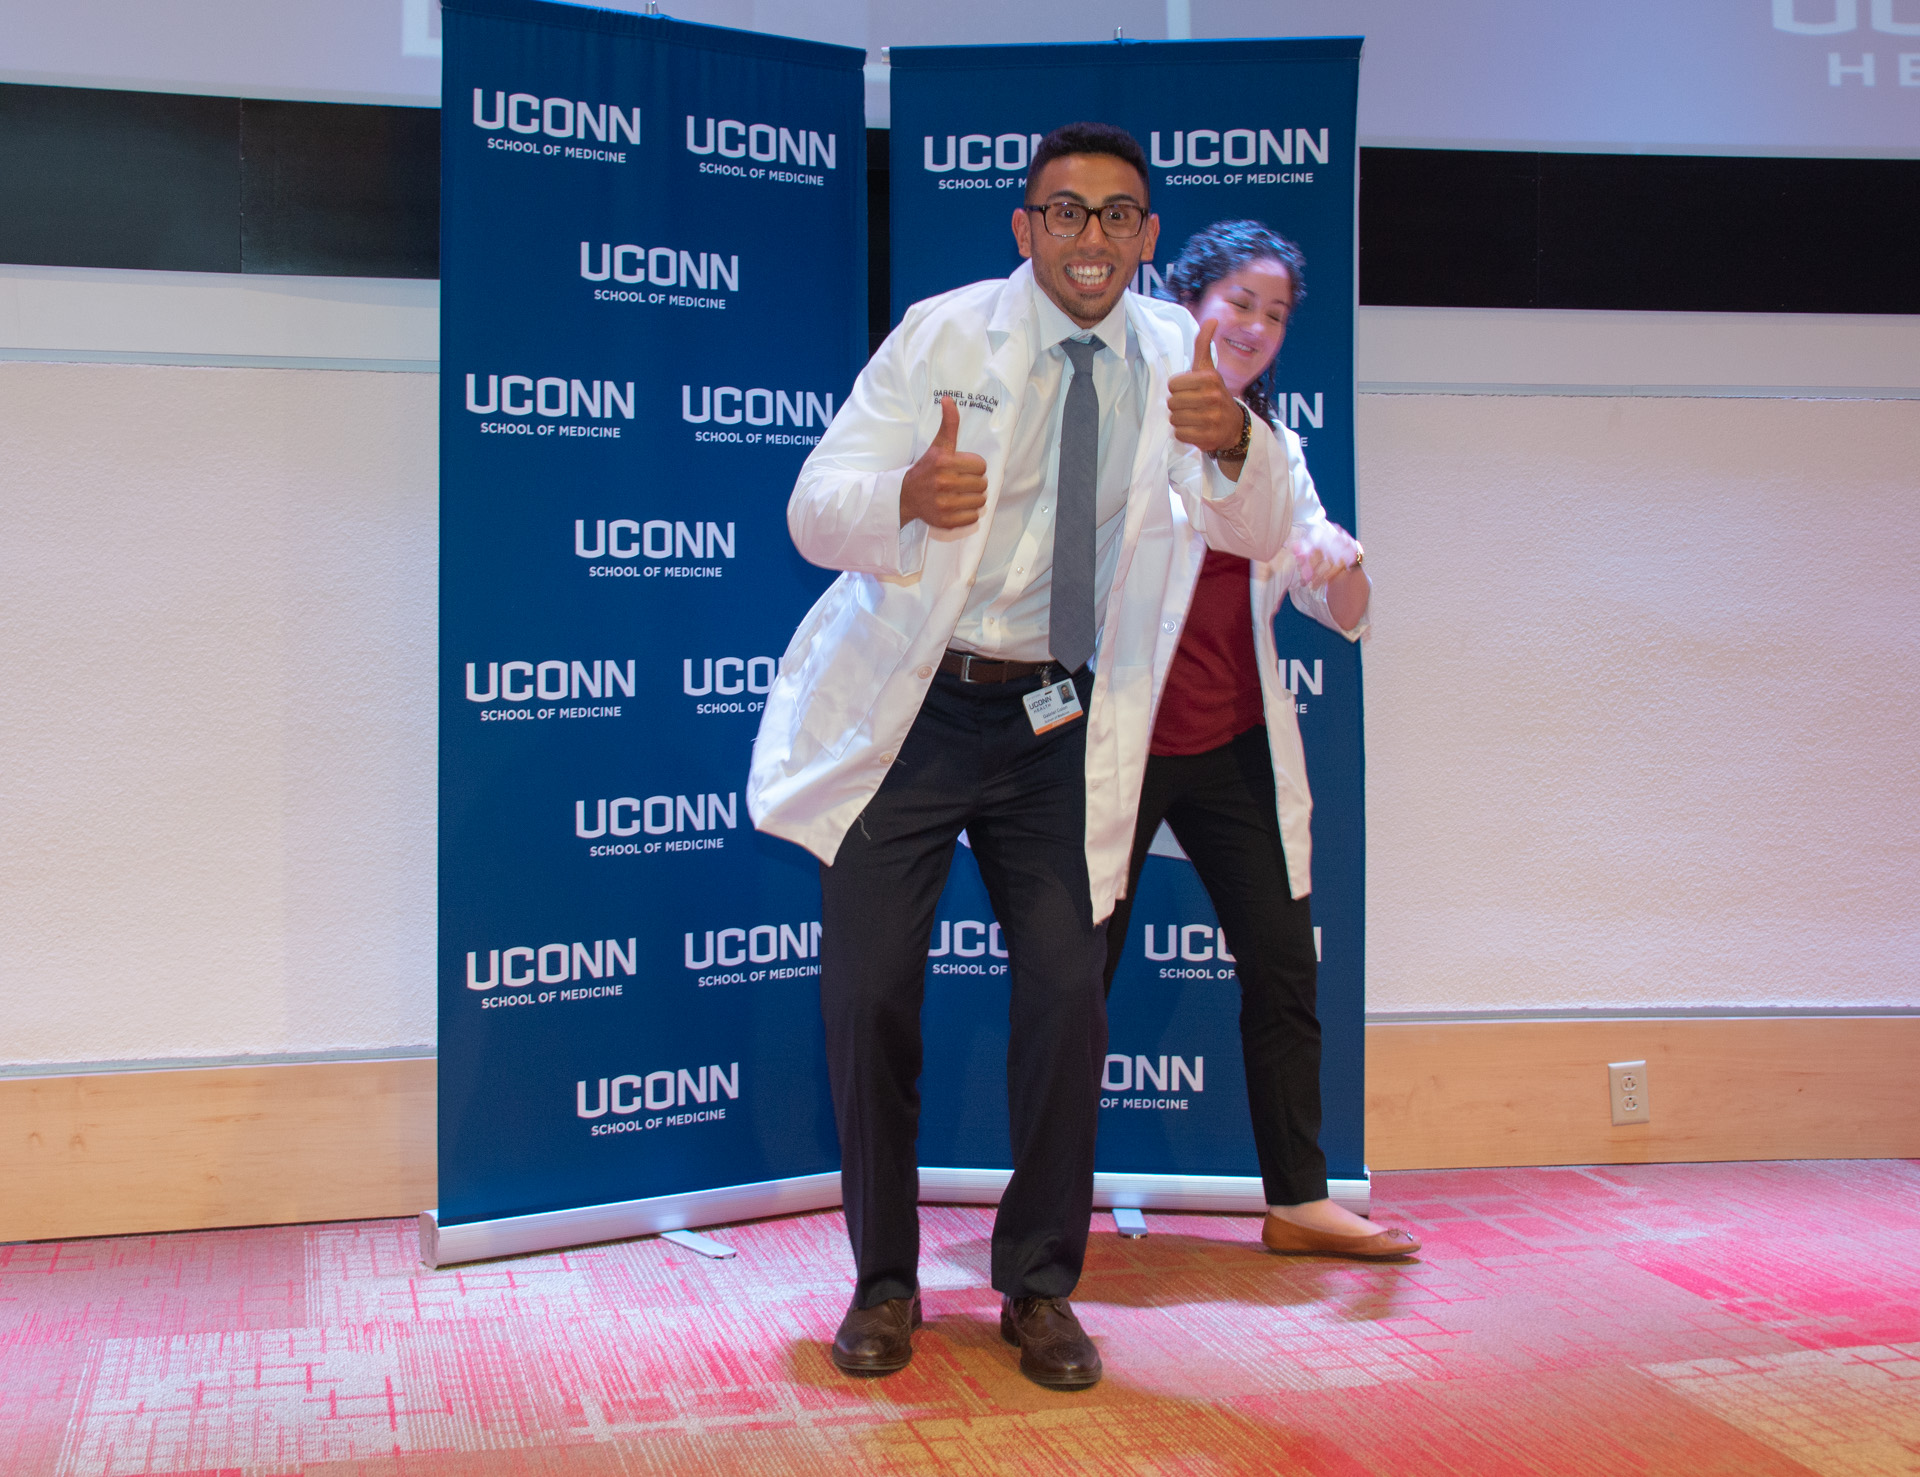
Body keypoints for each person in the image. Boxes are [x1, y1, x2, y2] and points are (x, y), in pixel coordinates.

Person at [748, 124, 1298, 1389]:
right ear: (1025, 228)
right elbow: (810, 503)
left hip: (1057, 723)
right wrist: (903, 498)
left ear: (1148, 239)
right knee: (872, 993)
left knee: (1067, 993)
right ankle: (885, 1283)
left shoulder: (1184, 356)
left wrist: (1233, 446)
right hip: (916, 715)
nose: (1090, 238)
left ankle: (1039, 1285)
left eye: (1117, 217)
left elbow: (1266, 523)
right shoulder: (946, 336)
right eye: (1064, 212)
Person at [1102, 220, 1419, 1260]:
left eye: (1275, 314)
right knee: (1075, 977)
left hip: (1234, 740)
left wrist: (1343, 558)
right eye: (1239, 301)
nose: (1255, 326)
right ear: (1187, 301)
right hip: (1121, 736)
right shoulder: (1126, 416)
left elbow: (1347, 610)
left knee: (1283, 969)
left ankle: (1298, 1199)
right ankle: (1045, 1198)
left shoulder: (1278, 451)